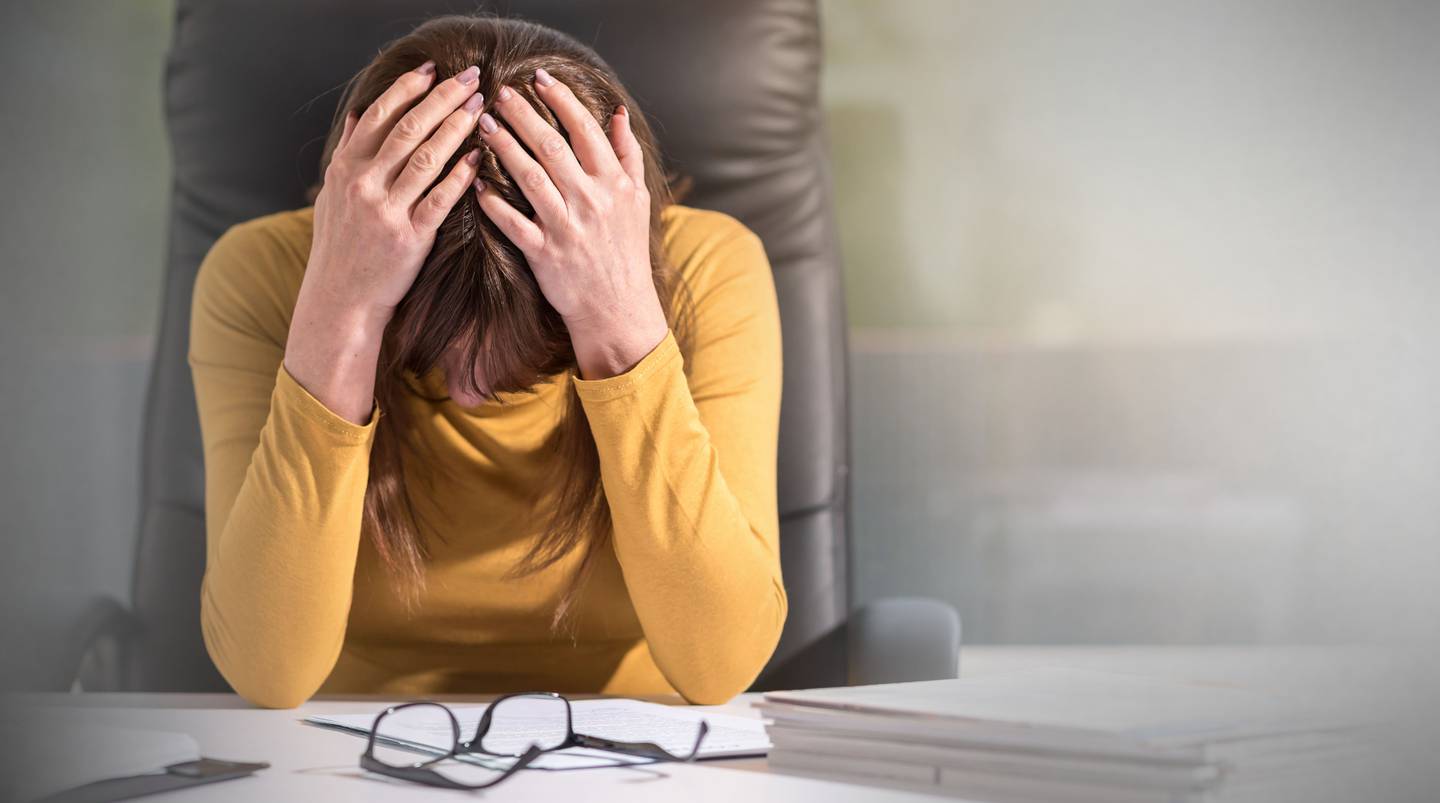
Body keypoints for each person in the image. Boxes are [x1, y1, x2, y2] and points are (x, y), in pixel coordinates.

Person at [189, 14, 786, 709]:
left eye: (532, 357)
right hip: (344, 746)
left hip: (629, 751)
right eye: (424, 352)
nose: (470, 394)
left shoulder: (706, 270)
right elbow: (268, 670)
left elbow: (723, 662)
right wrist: (342, 316)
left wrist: (620, 324)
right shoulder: (266, 276)